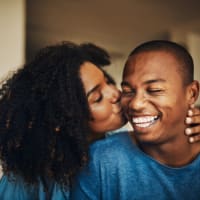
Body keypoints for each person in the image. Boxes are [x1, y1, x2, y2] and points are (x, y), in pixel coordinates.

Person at [0, 41, 199, 200]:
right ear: (63, 119)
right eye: (97, 98)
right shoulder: (28, 178)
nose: (116, 94)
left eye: (108, 81)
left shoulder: (115, 148)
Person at [71, 40, 200, 200]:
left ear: (192, 94)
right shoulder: (100, 160)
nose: (136, 104)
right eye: (128, 91)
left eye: (154, 90)